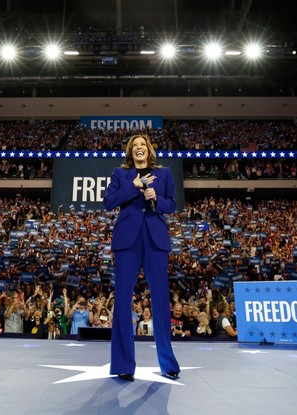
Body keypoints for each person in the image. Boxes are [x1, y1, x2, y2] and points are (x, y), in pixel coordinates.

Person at [104, 133, 181, 382]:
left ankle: (168, 363)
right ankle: (123, 365)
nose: (139, 148)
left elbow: (172, 204)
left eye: (142, 145)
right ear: (130, 151)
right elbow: (108, 202)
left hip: (155, 237)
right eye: (134, 145)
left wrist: (157, 200)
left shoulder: (165, 173)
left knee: (160, 300)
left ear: (149, 150)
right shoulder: (121, 174)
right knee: (123, 301)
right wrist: (133, 186)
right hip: (127, 238)